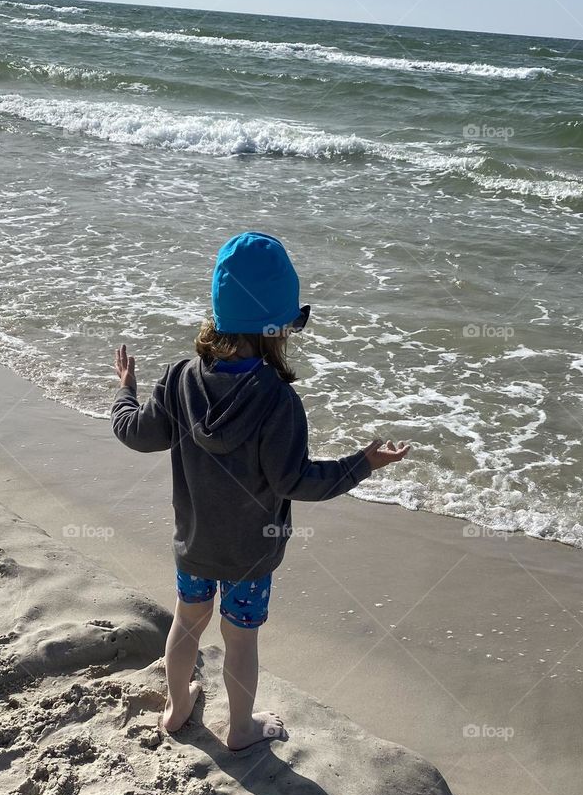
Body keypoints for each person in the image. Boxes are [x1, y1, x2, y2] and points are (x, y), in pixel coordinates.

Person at [112, 232, 409, 750]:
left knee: (186, 624)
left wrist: (125, 392)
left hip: (194, 546)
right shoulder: (278, 401)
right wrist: (362, 464)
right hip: (250, 554)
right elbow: (296, 481)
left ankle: (179, 707)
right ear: (278, 329)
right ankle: (241, 729)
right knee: (240, 637)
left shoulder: (179, 380)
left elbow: (136, 434)